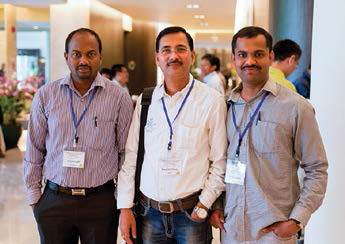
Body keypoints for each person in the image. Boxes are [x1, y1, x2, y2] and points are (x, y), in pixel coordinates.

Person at [210, 26, 328, 244]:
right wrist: (216, 206)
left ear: (271, 56)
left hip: (273, 235)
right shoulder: (223, 106)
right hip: (231, 230)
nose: (250, 61)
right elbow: (218, 163)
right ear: (234, 58)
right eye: (242, 55)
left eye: (258, 54)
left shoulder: (296, 107)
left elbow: (317, 169)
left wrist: (297, 219)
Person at [117, 26, 227, 244]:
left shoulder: (212, 101)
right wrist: (125, 207)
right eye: (166, 50)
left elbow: (220, 161)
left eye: (180, 49)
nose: (173, 56)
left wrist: (204, 205)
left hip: (191, 216)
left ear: (192, 56)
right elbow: (131, 156)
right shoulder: (146, 101)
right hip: (149, 214)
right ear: (157, 58)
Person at [23, 28, 133, 244]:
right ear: (67, 57)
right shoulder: (46, 95)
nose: (83, 60)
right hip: (55, 200)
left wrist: (124, 202)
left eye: (91, 54)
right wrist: (36, 199)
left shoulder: (118, 97)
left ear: (100, 57)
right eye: (76, 54)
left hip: (100, 202)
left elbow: (125, 154)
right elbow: (34, 148)